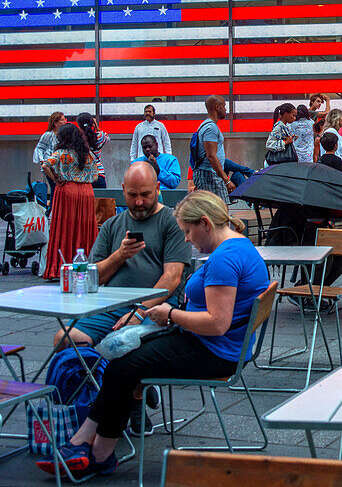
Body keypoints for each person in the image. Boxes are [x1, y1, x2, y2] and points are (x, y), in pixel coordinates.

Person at [36, 191, 269, 478]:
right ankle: (89, 443)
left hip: (215, 351)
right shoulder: (241, 247)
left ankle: (96, 452)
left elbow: (216, 323)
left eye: (188, 231)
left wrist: (169, 314)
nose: (186, 239)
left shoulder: (224, 259)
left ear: (205, 223)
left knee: (122, 367)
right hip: (224, 347)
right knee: (124, 362)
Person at [53, 164, 190, 371]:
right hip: (111, 305)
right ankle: (90, 391)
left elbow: (172, 277)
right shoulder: (112, 225)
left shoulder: (171, 223)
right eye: (132, 195)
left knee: (126, 345)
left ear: (158, 188)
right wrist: (120, 255)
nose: (139, 202)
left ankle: (131, 392)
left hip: (154, 307)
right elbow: (93, 278)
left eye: (145, 194)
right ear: (123, 189)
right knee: (65, 338)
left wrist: (139, 312)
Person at [41, 123, 100, 280]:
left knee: (65, 228)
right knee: (85, 227)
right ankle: (86, 265)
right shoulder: (88, 154)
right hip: (87, 192)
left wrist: (56, 179)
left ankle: (61, 266)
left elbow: (45, 165)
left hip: (67, 190)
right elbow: (96, 175)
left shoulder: (61, 153)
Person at [193, 95, 234, 205]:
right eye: (224, 106)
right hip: (209, 174)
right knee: (218, 211)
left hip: (210, 173)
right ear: (217, 107)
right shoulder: (210, 128)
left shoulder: (206, 126)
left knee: (217, 211)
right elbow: (211, 155)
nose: (226, 109)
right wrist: (227, 180)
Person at [34, 112, 66, 200]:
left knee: (57, 188)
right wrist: (41, 160)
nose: (64, 122)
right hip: (50, 166)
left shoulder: (63, 135)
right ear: (55, 123)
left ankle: (53, 208)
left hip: (59, 166)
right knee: (55, 186)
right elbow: (39, 148)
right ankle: (52, 207)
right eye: (62, 120)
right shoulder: (48, 135)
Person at [76, 113, 109, 189]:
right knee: (100, 200)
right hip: (98, 174)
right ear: (92, 124)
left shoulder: (76, 139)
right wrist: (97, 127)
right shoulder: (99, 136)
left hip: (83, 176)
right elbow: (107, 138)